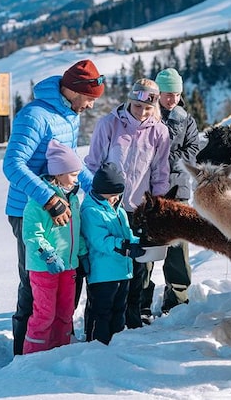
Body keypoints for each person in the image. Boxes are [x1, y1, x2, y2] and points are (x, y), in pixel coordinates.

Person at [3, 59, 104, 356]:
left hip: (62, 208)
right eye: (89, 99)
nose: (90, 106)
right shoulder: (35, 116)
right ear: (73, 90)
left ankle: (56, 346)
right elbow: (12, 165)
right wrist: (49, 199)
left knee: (66, 277)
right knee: (35, 281)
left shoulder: (68, 114)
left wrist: (101, 191)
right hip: (29, 210)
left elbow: (71, 163)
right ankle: (23, 353)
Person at [84, 78, 170, 329]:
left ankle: (132, 322)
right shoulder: (109, 124)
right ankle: (100, 323)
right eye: (136, 106)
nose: (142, 112)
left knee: (138, 270)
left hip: (139, 208)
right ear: (129, 101)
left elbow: (160, 172)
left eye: (147, 108)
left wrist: (156, 206)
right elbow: (92, 164)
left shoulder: (159, 131)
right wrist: (96, 199)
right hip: (109, 208)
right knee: (108, 267)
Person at [22, 140, 85, 354]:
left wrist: (82, 251)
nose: (77, 179)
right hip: (44, 268)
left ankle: (61, 351)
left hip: (69, 266)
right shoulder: (39, 201)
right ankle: (34, 355)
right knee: (45, 314)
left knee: (66, 311)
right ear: (58, 173)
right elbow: (31, 234)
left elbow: (76, 230)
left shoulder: (73, 199)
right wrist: (48, 254)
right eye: (73, 174)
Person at [150, 68, 199, 314]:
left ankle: (178, 300)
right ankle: (141, 301)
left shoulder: (186, 120)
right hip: (149, 193)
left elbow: (193, 152)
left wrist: (163, 159)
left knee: (178, 249)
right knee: (147, 248)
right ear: (158, 93)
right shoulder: (148, 116)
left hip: (178, 191)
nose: (172, 99)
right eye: (168, 94)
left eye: (177, 94)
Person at [80, 162, 146, 344]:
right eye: (111, 196)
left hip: (122, 271)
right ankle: (96, 345)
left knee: (119, 311)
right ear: (100, 192)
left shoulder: (119, 210)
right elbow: (101, 241)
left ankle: (115, 345)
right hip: (103, 274)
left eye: (117, 195)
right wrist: (124, 246)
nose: (115, 199)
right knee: (102, 312)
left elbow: (127, 233)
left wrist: (139, 242)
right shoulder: (91, 211)